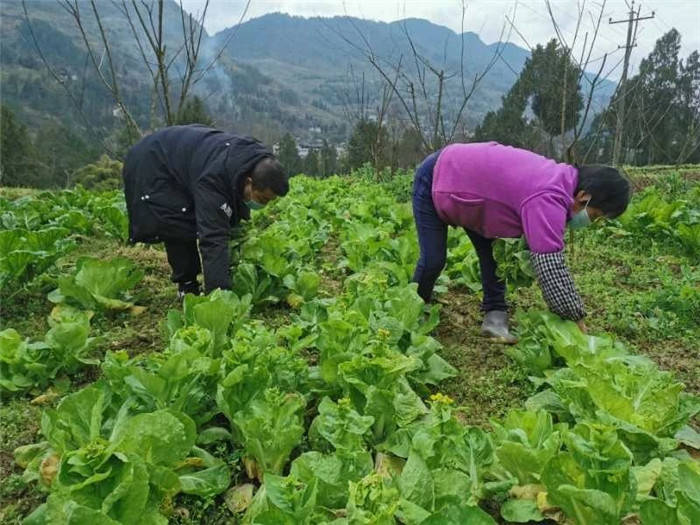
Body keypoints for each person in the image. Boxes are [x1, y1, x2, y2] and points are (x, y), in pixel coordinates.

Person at [411, 141, 630, 343]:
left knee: (492, 255)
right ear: (583, 197)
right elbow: (550, 268)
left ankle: (495, 317)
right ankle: (414, 309)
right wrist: (575, 318)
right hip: (439, 175)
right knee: (433, 259)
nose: (592, 221)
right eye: (595, 215)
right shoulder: (549, 198)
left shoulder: (562, 182)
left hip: (477, 195)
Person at [122, 124, 289, 298]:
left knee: (214, 217)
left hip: (184, 157)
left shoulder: (254, 159)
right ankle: (187, 286)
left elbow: (230, 199)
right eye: (262, 199)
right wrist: (220, 296)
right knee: (178, 221)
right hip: (152, 163)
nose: (264, 205)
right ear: (248, 182)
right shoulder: (213, 180)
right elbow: (213, 238)